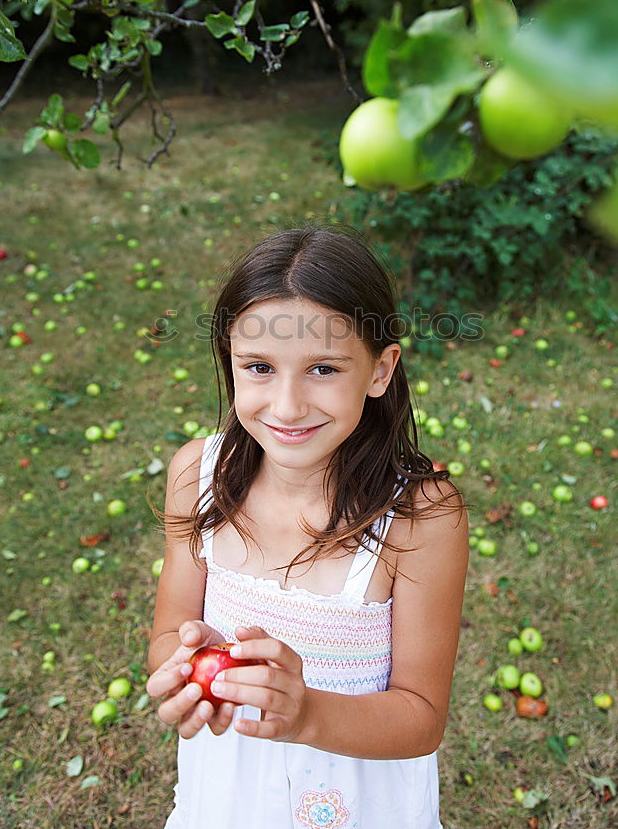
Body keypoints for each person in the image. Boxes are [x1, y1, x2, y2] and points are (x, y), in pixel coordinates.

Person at [146, 223, 469, 829]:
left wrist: (306, 715)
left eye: (323, 368)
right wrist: (187, 670)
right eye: (260, 366)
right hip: (228, 798)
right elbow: (170, 632)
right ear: (230, 362)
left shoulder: (419, 518)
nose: (288, 406)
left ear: (379, 370)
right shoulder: (198, 475)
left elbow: (421, 717)